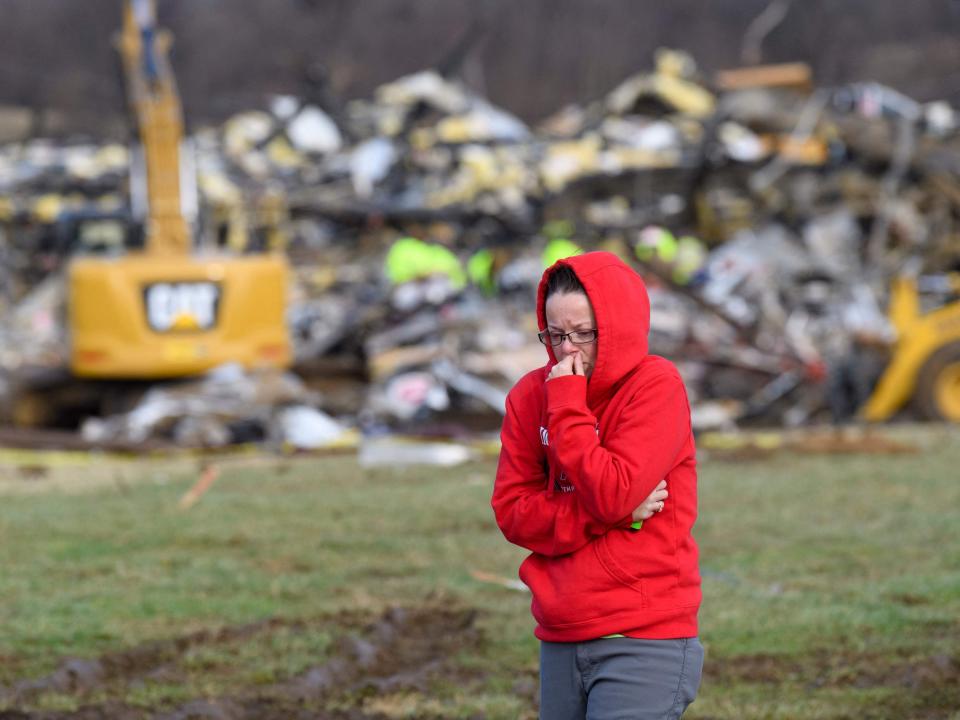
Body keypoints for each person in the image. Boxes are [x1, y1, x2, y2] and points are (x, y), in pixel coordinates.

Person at [491, 251, 703, 719]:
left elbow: (612, 490)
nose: (568, 350)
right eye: (556, 335)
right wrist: (610, 514)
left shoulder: (655, 386)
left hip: (644, 635)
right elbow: (513, 513)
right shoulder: (528, 395)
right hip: (562, 632)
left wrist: (567, 404)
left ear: (619, 326)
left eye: (584, 334)